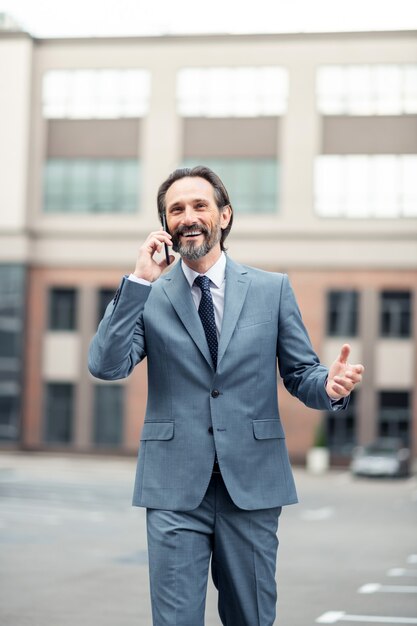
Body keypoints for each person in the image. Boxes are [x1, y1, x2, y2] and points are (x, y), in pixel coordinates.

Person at [88, 165, 364, 626]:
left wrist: (329, 386)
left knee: (251, 617)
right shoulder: (148, 295)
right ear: (165, 225)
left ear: (225, 215)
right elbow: (106, 365)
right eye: (176, 209)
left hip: (252, 486)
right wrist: (138, 282)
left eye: (200, 205)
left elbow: (301, 373)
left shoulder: (271, 289)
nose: (188, 216)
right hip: (174, 487)